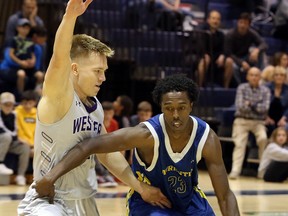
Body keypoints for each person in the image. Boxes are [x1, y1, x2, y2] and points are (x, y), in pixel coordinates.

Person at [18, 1, 170, 215]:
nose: (103, 77)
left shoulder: (96, 107)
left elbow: (107, 154)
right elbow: (59, 58)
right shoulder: (58, 97)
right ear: (75, 69)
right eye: (97, 70)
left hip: (85, 200)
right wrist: (69, 17)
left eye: (104, 70)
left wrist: (142, 188)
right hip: (49, 200)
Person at [33, 74, 240, 215]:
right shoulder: (146, 135)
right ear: (161, 107)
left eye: (181, 108)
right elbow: (89, 145)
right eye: (169, 108)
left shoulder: (206, 137)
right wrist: (50, 177)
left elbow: (224, 195)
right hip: (148, 203)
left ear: (191, 106)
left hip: (189, 201)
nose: (175, 115)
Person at [229, 67, 270, 179]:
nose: (254, 77)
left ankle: (262, 171)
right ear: (247, 76)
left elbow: (264, 109)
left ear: (260, 77)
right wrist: (256, 105)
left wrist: (249, 104)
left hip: (258, 122)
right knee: (239, 144)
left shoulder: (265, 90)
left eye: (256, 75)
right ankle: (235, 171)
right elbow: (241, 107)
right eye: (251, 75)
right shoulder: (241, 88)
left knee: (263, 139)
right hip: (241, 120)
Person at [0, 18, 44, 96]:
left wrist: (33, 61)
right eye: (23, 27)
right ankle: (20, 95)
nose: (25, 30)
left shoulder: (30, 41)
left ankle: (35, 94)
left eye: (27, 28)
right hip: (16, 67)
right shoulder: (13, 40)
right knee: (21, 74)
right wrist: (20, 62)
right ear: (18, 28)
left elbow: (33, 53)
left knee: (40, 75)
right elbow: (10, 54)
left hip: (28, 65)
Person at [224, 12, 268, 87]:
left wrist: (257, 50)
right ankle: (240, 85)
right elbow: (228, 53)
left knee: (261, 53)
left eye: (245, 23)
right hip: (234, 59)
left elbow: (264, 44)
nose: (242, 25)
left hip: (246, 57)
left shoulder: (251, 33)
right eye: (241, 22)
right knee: (232, 64)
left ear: (248, 25)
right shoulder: (230, 35)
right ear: (237, 23)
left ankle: (260, 81)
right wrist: (241, 63)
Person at [0, 92, 30, 185]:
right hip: (2, 140)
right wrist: (15, 137)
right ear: (0, 104)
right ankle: (0, 163)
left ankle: (20, 175)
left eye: (11, 104)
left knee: (25, 146)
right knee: (6, 136)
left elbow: (16, 130)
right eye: (6, 104)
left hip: (8, 142)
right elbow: (1, 129)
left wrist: (19, 139)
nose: (8, 107)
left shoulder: (14, 115)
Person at [196, 10, 225, 87]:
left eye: (218, 19)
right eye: (213, 18)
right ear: (208, 20)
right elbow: (199, 46)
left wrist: (222, 55)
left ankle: (226, 88)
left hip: (215, 59)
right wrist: (204, 54)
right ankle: (198, 87)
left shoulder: (221, 35)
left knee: (229, 61)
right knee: (205, 60)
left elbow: (224, 49)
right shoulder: (201, 31)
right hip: (199, 56)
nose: (216, 21)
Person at [265, 66, 288, 136]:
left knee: (286, 127)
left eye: (281, 75)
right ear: (273, 77)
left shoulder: (287, 89)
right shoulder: (266, 88)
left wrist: (284, 118)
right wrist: (266, 117)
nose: (279, 77)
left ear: (285, 77)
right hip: (267, 117)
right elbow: (261, 105)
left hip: (282, 117)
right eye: (276, 75)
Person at [15, 90, 38, 157]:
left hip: (34, 144)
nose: (27, 106)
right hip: (21, 142)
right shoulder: (16, 112)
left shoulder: (38, 114)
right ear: (21, 102)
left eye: (30, 103)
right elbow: (16, 129)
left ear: (35, 103)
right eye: (25, 103)